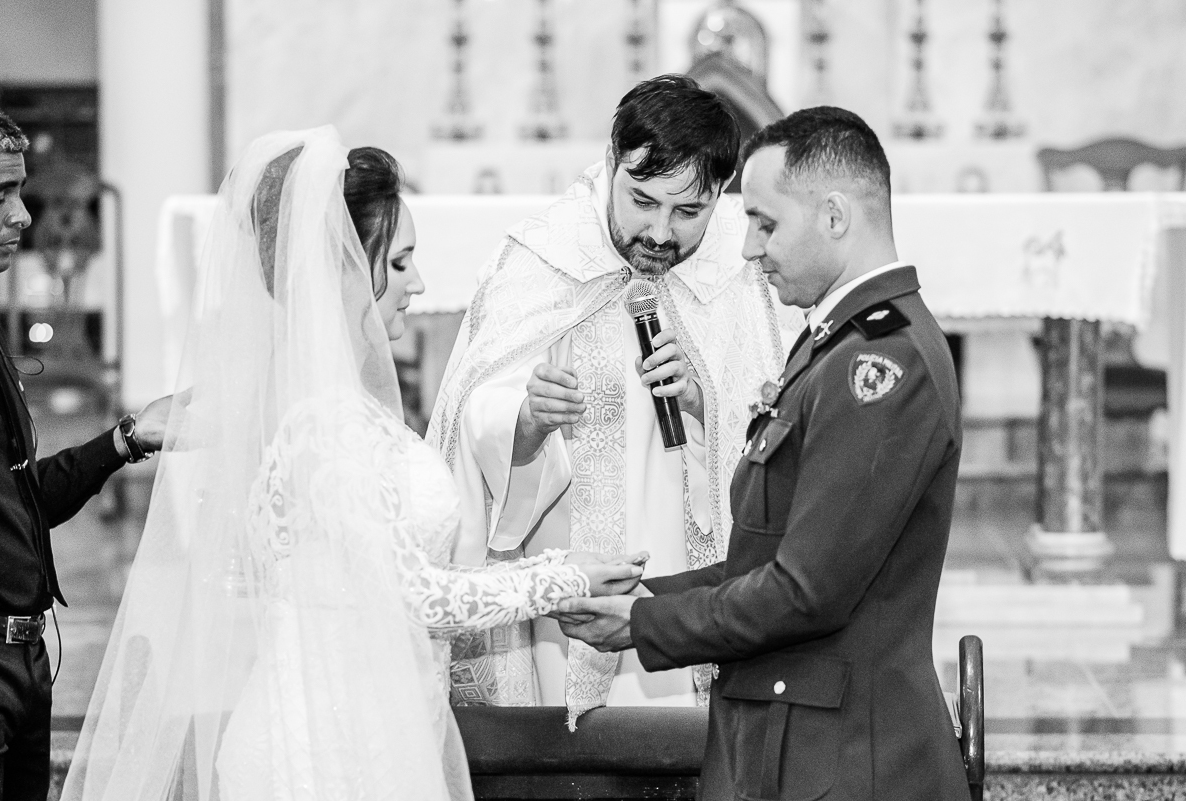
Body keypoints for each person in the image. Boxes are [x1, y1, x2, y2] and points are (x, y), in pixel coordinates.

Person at [62, 127, 646, 801]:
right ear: (338, 266)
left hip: (359, 730)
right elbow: (416, 594)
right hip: (325, 754)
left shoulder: (318, 403)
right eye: (399, 262)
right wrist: (561, 576)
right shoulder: (326, 423)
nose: (418, 282)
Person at [556, 107, 972, 800]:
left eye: (766, 222)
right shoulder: (835, 342)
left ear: (835, 216)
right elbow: (770, 557)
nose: (748, 247)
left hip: (844, 759)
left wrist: (642, 623)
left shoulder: (880, 363)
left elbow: (807, 591)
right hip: (798, 733)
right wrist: (640, 595)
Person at [427, 75, 795, 723]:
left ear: (722, 194)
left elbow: (782, 419)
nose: (659, 232)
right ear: (609, 165)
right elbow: (469, 414)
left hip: (690, 579)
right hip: (562, 573)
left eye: (689, 213)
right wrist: (529, 419)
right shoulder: (546, 256)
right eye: (642, 200)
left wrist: (706, 402)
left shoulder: (742, 267)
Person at [0, 107, 172, 801]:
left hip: (26, 659)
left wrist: (124, 440)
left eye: (19, 194)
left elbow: (18, 505)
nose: (24, 218)